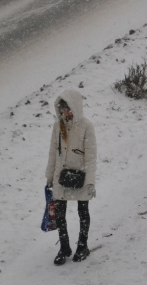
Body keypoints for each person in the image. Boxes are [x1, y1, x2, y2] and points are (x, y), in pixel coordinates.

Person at [45, 89, 97, 265]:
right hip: (61, 176)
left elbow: (91, 158)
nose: (64, 113)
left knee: (83, 211)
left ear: (75, 107)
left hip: (80, 176)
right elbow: (53, 152)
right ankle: (64, 247)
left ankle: (83, 247)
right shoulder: (57, 126)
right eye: (62, 109)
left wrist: (90, 182)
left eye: (67, 109)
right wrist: (49, 176)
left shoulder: (87, 127)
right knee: (59, 214)